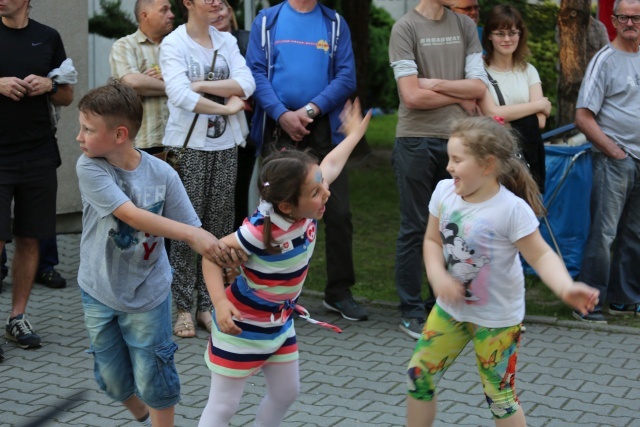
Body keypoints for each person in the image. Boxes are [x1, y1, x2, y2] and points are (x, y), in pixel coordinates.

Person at [405, 116, 599, 427]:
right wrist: (437, 276)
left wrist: (565, 288)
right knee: (418, 375)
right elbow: (430, 239)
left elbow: (541, 255)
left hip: (497, 321)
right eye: (449, 158)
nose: (449, 167)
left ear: (487, 164)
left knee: (500, 398)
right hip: (450, 311)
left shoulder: (511, 209)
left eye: (457, 160)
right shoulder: (444, 192)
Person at [75, 80, 242, 427]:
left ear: (120, 134)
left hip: (149, 293)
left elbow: (196, 235)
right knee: (112, 379)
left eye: (88, 129)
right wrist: (193, 234)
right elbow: (130, 215)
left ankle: (158, 418)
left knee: (156, 377)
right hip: (99, 289)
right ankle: (142, 414)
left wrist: (219, 258)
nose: (79, 137)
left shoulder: (163, 173)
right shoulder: (90, 167)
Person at [198, 99, 371, 427]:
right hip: (241, 326)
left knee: (287, 392)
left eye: (322, 186)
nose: (326, 193)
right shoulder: (258, 231)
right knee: (223, 406)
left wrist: (354, 134)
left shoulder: (308, 203)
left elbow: (331, 164)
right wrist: (219, 304)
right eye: (317, 192)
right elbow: (211, 255)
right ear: (287, 206)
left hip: (279, 323)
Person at [246, 0, 366, 322]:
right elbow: (255, 72)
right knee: (274, 215)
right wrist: (282, 114)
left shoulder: (335, 23)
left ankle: (339, 293)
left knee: (338, 213)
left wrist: (311, 110)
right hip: (277, 130)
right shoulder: (267, 21)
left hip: (323, 131)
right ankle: (271, 291)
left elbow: (346, 76)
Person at [389, 0, 488, 339]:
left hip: (458, 141)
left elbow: (479, 87)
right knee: (416, 227)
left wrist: (431, 83)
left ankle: (444, 306)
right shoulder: (404, 28)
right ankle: (411, 310)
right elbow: (411, 97)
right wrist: (456, 93)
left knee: (454, 226)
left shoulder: (463, 25)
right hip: (415, 141)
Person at [160, 0, 255, 338]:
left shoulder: (226, 41)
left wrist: (201, 86)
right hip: (189, 148)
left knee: (218, 227)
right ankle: (183, 307)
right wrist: (228, 108)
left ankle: (208, 305)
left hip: (225, 146)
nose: (216, 2)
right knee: (188, 229)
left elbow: (246, 84)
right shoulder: (174, 42)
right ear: (188, 2)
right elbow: (178, 94)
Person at [0, 0, 74, 355]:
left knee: (30, 239)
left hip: (39, 154)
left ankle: (18, 318)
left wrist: (49, 85)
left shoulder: (48, 37)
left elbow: (67, 94)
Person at [573, 0, 640, 323]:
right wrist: (615, 151)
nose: (630, 22)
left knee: (635, 233)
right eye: (624, 17)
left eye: (636, 17)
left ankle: (623, 298)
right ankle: (588, 303)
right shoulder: (604, 61)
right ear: (613, 20)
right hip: (616, 160)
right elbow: (583, 117)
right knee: (604, 233)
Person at [478, 5, 552, 192]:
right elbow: (491, 114)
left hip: (528, 158)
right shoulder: (479, 72)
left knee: (527, 214)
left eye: (512, 33)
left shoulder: (528, 70)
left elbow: (541, 121)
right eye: (500, 33)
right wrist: (538, 104)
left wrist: (507, 116)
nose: (507, 39)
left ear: (520, 34)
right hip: (493, 155)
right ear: (489, 36)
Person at [210, 0, 256, 231]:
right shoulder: (195, 45)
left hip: (244, 132)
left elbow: (253, 82)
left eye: (222, 7)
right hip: (207, 132)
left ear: (230, 11)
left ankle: (236, 255)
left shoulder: (248, 40)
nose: (218, 13)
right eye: (213, 8)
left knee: (238, 197)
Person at [109, 0, 175, 155]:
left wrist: (154, 82)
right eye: (164, 10)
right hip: (143, 142)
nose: (171, 15)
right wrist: (177, 86)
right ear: (145, 15)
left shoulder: (179, 45)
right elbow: (133, 83)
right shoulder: (125, 46)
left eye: (171, 10)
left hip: (181, 141)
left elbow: (198, 83)